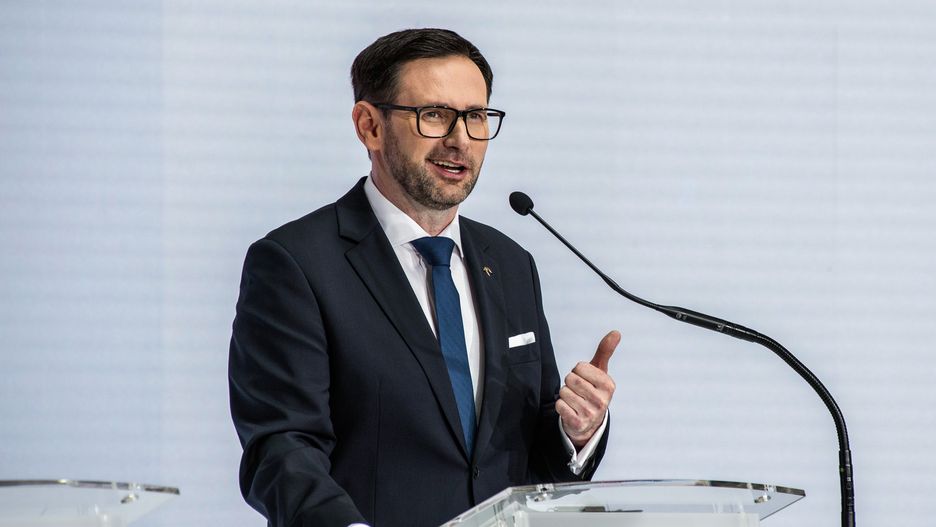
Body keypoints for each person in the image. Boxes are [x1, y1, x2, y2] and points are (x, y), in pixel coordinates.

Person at [229, 28, 619, 527]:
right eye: (434, 114)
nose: (460, 140)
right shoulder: (296, 264)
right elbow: (281, 447)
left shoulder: (510, 263)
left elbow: (524, 456)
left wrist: (577, 433)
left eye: (475, 116)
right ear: (369, 126)